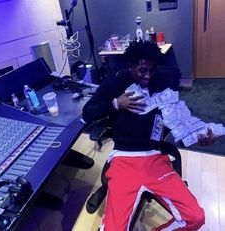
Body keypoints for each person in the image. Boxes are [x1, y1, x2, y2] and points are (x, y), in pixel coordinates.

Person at [82, 39, 214, 231]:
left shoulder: (163, 82)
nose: (148, 76)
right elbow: (87, 113)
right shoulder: (116, 83)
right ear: (130, 66)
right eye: (142, 70)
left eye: (152, 70)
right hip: (124, 158)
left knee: (195, 217)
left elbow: (178, 119)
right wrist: (115, 104)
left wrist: (197, 136)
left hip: (155, 158)